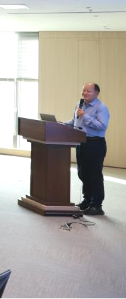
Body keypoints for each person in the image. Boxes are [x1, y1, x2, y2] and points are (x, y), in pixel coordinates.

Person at [64, 82, 109, 216]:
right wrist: (60, 124)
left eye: (88, 91)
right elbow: (75, 122)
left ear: (97, 93)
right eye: (83, 90)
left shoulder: (101, 108)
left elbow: (102, 126)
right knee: (83, 173)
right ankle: (87, 200)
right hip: (81, 143)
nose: (85, 93)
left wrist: (85, 116)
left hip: (95, 144)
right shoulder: (80, 104)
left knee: (94, 174)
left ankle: (96, 205)